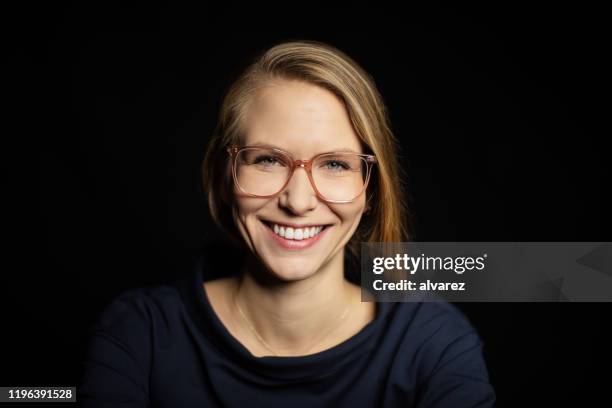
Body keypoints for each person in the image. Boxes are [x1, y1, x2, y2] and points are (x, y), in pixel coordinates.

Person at [78, 40, 496, 407]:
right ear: (224, 177)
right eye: (268, 160)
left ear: (371, 190)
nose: (298, 202)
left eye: (335, 164)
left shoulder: (435, 343)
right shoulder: (141, 332)